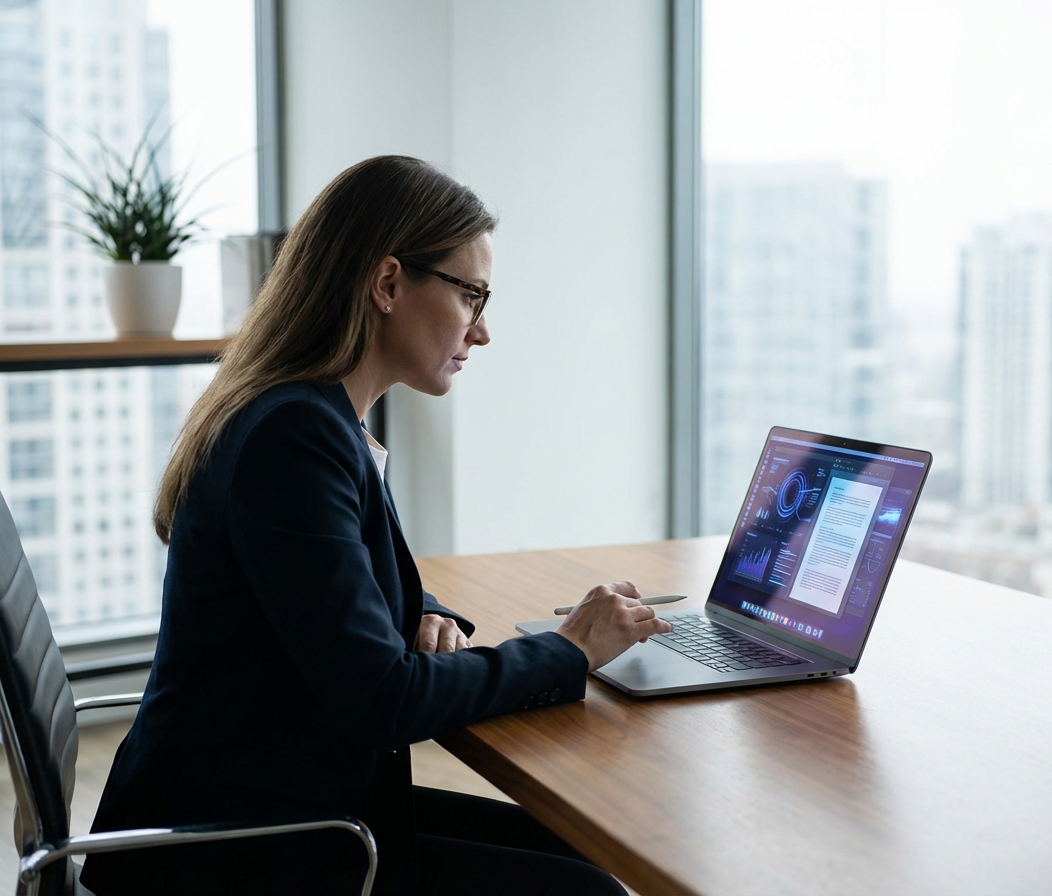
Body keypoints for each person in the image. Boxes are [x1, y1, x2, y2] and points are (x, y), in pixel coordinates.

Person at [79, 156, 672, 895]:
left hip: (279, 800)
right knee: (587, 890)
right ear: (388, 283)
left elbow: (328, 588)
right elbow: (381, 702)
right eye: (472, 296)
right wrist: (569, 649)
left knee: (578, 852)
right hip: (236, 846)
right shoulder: (294, 437)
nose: (482, 332)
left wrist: (420, 611)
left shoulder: (315, 415)